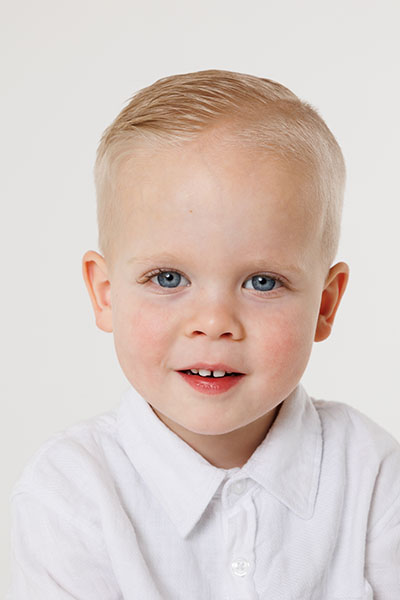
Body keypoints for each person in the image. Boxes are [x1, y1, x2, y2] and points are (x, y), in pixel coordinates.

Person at [7, 69, 400, 599]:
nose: (214, 322)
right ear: (105, 293)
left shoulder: (372, 476)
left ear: (325, 305)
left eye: (263, 282)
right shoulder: (69, 493)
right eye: (168, 278)